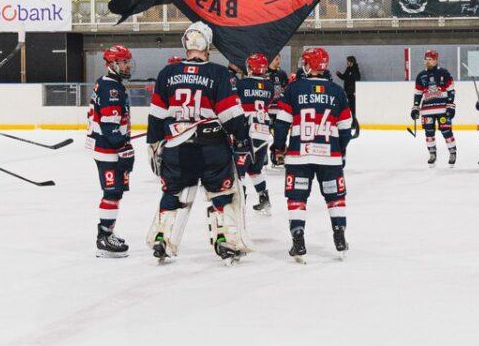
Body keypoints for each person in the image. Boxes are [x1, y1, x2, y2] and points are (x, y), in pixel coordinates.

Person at [146, 23, 248, 262]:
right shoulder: (218, 73)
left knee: (172, 192)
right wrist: (243, 137)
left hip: (176, 148)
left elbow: (156, 116)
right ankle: (225, 242)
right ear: (208, 45)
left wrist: (153, 144)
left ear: (186, 43)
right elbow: (230, 115)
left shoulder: (167, 73)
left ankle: (162, 238)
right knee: (221, 193)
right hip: (212, 148)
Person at [270, 46, 354, 260]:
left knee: (297, 197)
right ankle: (340, 234)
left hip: (299, 155)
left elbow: (281, 123)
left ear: (309, 65)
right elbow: (346, 128)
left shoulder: (293, 89)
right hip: (330, 156)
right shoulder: (337, 91)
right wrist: (341, 150)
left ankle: (298, 237)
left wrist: (278, 148)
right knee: (335, 197)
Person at [88, 44, 136, 258]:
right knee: (112, 192)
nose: (127, 66)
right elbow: (110, 126)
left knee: (115, 193)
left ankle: (108, 232)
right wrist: (124, 147)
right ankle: (104, 236)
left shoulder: (106, 83)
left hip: (108, 148)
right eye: (123, 62)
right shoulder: (112, 89)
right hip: (109, 150)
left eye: (127, 61)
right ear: (111, 64)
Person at [235, 53, 277, 215]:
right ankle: (264, 199)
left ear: (250, 67)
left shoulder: (242, 83)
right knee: (255, 169)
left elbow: (235, 104)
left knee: (239, 170)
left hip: (247, 130)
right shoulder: (269, 86)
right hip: (264, 131)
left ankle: (240, 204)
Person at [410, 49, 457, 166]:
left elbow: (451, 91)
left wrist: (450, 105)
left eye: (430, 59)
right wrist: (415, 107)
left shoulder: (444, 73)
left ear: (436, 60)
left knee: (446, 131)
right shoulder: (421, 76)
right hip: (427, 110)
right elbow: (418, 93)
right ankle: (432, 153)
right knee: (429, 132)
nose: (427, 61)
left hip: (442, 109)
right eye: (426, 59)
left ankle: (452, 152)